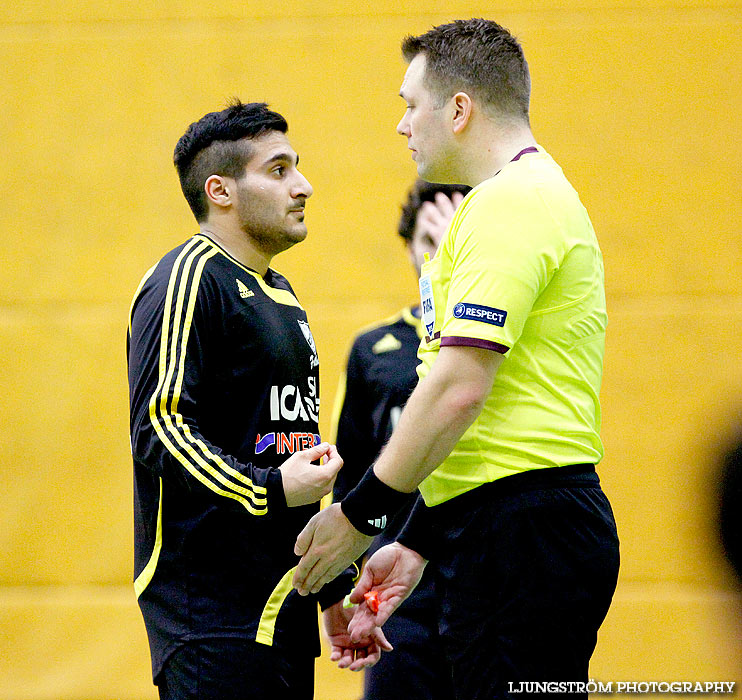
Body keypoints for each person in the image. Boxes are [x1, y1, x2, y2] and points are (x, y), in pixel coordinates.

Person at [292, 19, 620, 700]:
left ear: (461, 110)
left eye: (411, 105)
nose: (401, 126)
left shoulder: (512, 203)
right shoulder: (503, 203)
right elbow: (486, 413)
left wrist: (357, 518)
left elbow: (458, 391)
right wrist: (416, 540)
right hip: (505, 527)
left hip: (527, 533)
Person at [127, 100, 388, 700]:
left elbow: (291, 448)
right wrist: (267, 489)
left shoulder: (282, 295)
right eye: (278, 170)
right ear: (220, 190)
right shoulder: (189, 278)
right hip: (212, 620)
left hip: (281, 610)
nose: (304, 186)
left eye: (297, 167)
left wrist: (329, 586)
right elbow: (161, 429)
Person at [331, 180, 469, 700]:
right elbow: (350, 476)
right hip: (400, 589)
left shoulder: (494, 339)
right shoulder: (374, 349)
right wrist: (342, 590)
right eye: (430, 244)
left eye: (454, 242)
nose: (439, 257)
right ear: (410, 249)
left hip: (484, 572)